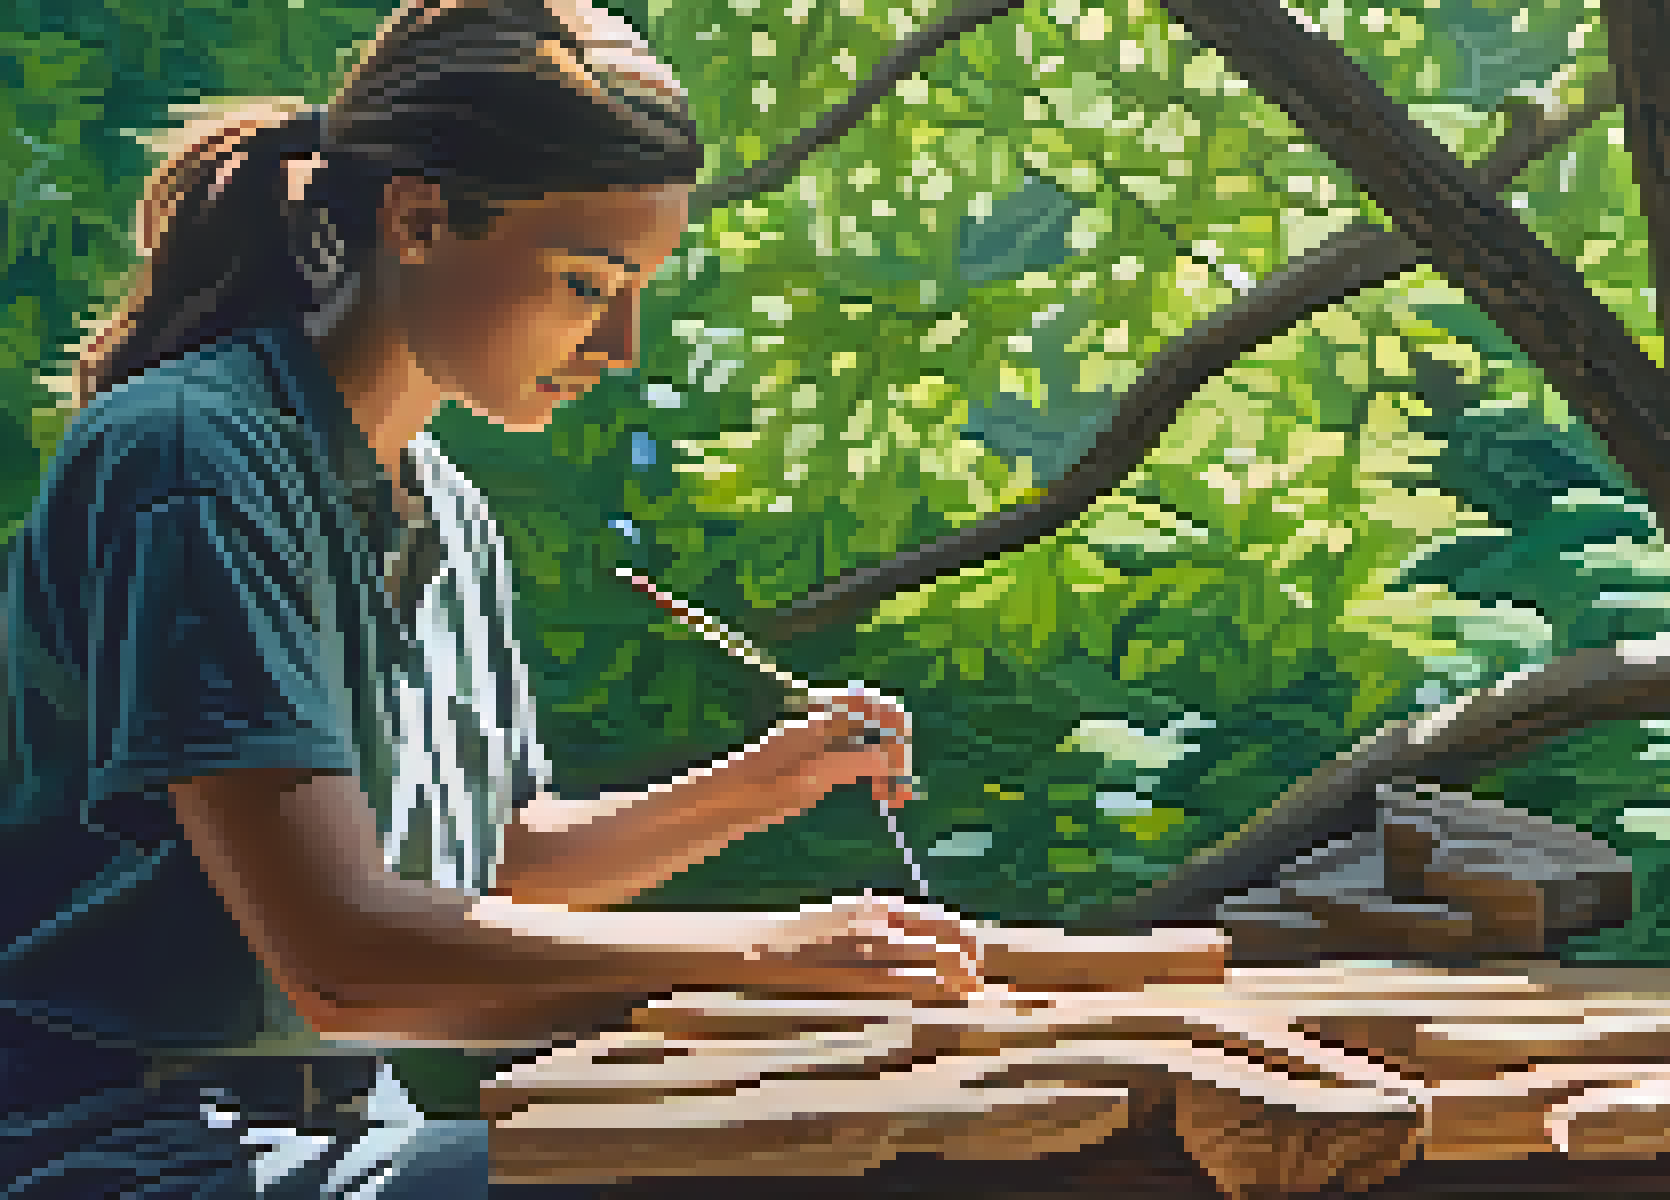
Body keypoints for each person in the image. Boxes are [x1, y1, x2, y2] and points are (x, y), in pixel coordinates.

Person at [0, 1, 984, 1195]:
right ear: (418, 219)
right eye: (585, 281)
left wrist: (763, 785)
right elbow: (344, 957)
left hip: (355, 1128)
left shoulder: (447, 510)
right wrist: (781, 954)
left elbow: (495, 863)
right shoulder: (194, 460)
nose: (620, 343)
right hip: (132, 1152)